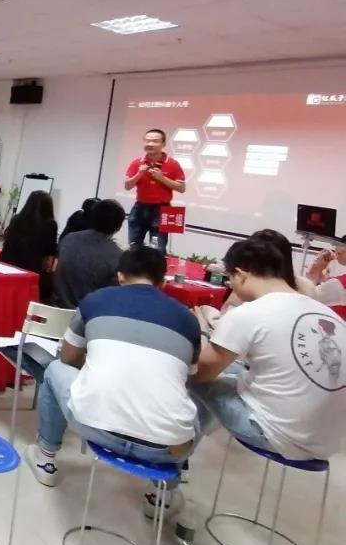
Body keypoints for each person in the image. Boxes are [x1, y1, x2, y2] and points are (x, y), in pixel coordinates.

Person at [26, 247, 201, 517]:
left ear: (120, 276)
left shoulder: (96, 301)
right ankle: (162, 494)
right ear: (163, 282)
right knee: (192, 400)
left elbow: (68, 358)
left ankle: (46, 458)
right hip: (166, 449)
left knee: (55, 370)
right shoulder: (188, 320)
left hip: (93, 427)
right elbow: (188, 380)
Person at [192, 236, 346, 463]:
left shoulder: (248, 313)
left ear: (241, 274)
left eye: (230, 279)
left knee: (187, 374)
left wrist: (201, 332)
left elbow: (201, 373)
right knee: (232, 370)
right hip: (327, 443)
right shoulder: (327, 313)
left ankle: (175, 452)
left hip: (278, 436)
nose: (230, 286)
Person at [52, 199, 126, 309]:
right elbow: (114, 294)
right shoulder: (116, 255)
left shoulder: (69, 239)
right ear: (118, 226)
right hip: (90, 314)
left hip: (56, 308)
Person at [124, 128, 185, 253]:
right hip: (140, 207)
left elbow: (181, 188)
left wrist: (162, 178)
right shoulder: (137, 162)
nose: (150, 144)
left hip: (162, 208)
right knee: (134, 247)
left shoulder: (172, 164)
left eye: (155, 141)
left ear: (163, 144)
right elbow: (127, 186)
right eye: (147, 141)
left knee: (158, 249)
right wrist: (139, 174)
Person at [0, 190, 58, 300]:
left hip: (7, 265)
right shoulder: (50, 224)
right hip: (31, 270)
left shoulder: (16, 219)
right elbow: (50, 252)